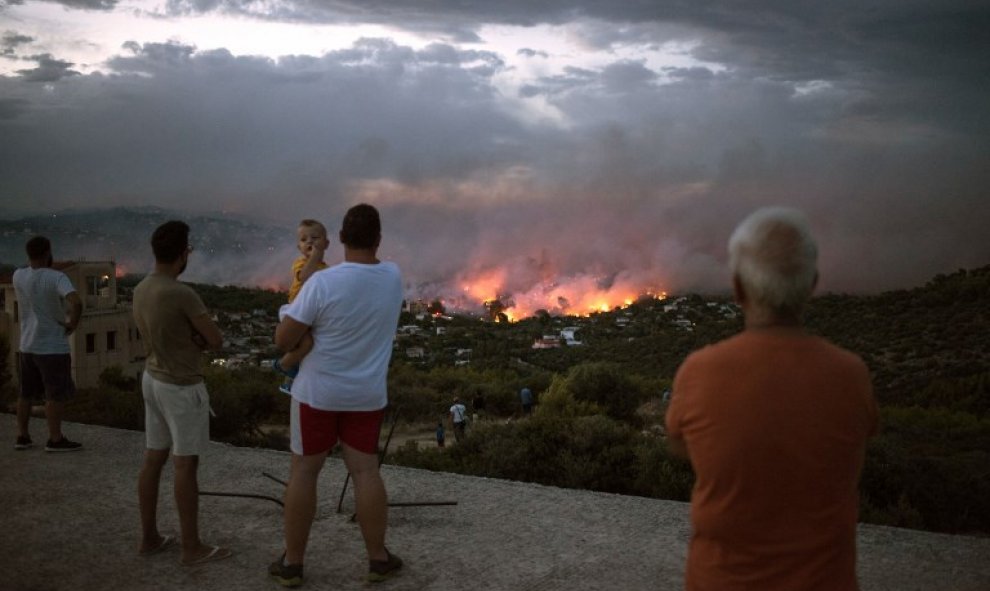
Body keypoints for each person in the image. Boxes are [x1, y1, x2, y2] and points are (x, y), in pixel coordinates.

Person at [665, 207, 879, 591]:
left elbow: (683, 447)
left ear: (738, 288)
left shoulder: (700, 372)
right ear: (812, 283)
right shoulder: (851, 375)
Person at [270, 203, 404, 587]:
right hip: (366, 395)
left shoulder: (321, 283)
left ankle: (292, 564)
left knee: (304, 473)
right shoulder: (393, 277)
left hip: (317, 394)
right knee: (366, 472)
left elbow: (284, 339)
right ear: (378, 239)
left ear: (340, 239)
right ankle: (378, 558)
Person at [132, 220, 231, 565]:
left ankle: (149, 538)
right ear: (182, 253)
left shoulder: (141, 287)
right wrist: (199, 338)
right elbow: (215, 339)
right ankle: (192, 547)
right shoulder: (181, 293)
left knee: (153, 458)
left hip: (152, 378)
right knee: (185, 465)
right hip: (181, 386)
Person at [12, 236, 83, 452]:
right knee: (54, 394)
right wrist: (72, 323)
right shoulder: (57, 277)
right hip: (51, 346)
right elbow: (76, 302)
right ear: (47, 253)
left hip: (27, 344)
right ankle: (55, 438)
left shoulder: (18, 275)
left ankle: (22, 436)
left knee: (25, 394)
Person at [274, 219, 331, 394]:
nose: (310, 242)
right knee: (306, 344)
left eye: (315, 237)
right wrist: (315, 256)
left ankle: (290, 381)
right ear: (299, 247)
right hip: (295, 311)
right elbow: (306, 277)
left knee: (311, 348)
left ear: (326, 243)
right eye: (304, 239)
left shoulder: (326, 269)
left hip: (311, 313)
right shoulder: (301, 263)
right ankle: (282, 365)